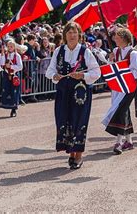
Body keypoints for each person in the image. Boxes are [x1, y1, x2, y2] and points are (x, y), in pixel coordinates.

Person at [46, 22, 100, 169]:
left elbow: (97, 72)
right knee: (64, 119)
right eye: (69, 32)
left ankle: (78, 155)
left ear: (79, 35)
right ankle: (70, 152)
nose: (72, 35)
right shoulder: (58, 51)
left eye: (74, 32)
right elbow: (49, 70)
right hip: (63, 92)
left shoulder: (85, 51)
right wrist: (54, 76)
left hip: (80, 93)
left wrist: (83, 75)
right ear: (65, 35)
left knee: (79, 120)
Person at [102, 27, 137, 154]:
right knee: (124, 111)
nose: (115, 39)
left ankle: (119, 142)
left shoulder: (133, 54)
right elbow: (111, 67)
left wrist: (124, 74)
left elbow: (136, 72)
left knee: (120, 110)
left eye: (117, 37)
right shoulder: (115, 51)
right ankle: (129, 141)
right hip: (118, 87)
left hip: (129, 87)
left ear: (124, 38)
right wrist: (111, 59)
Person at [0, 39, 23, 117]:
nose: (9, 48)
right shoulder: (5, 55)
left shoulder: (17, 55)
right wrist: (1, 54)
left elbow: (20, 66)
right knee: (7, 90)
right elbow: (1, 64)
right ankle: (7, 104)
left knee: (14, 91)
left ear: (14, 47)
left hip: (14, 75)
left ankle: (14, 109)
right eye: (8, 46)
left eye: (11, 46)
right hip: (6, 75)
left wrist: (11, 66)